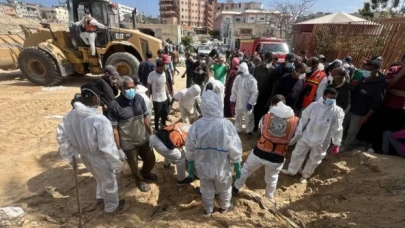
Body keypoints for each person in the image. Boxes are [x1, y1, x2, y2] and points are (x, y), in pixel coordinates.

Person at [57, 84, 125, 212]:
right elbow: (107, 147)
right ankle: (111, 207)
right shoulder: (100, 120)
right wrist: (116, 165)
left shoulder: (70, 116)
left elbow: (62, 136)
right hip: (99, 157)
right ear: (95, 99)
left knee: (98, 177)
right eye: (99, 96)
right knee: (109, 182)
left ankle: (100, 196)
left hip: (85, 155)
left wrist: (71, 155)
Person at [185, 90, 242, 215]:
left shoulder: (197, 125)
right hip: (222, 167)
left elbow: (189, 146)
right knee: (225, 188)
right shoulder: (226, 125)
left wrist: (190, 163)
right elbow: (235, 146)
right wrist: (237, 164)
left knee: (206, 189)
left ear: (203, 106)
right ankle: (224, 207)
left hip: (203, 166)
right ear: (219, 105)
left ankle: (208, 210)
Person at [233, 95, 299, 203]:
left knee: (246, 169)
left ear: (272, 104)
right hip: (277, 156)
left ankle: (235, 188)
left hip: (260, 152)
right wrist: (282, 142)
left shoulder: (267, 117)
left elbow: (262, 131)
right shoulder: (295, 120)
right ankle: (269, 198)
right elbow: (294, 139)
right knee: (272, 178)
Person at [282, 88, 345, 183]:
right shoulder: (314, 106)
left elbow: (338, 128)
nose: (332, 100)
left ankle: (305, 175)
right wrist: (298, 133)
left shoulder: (337, 111)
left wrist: (337, 143)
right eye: (330, 97)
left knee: (315, 158)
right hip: (308, 135)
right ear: (324, 96)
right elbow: (303, 120)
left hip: (323, 140)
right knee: (297, 153)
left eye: (334, 98)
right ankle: (292, 170)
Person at [108, 76, 156, 192]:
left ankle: (145, 172)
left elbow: (145, 118)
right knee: (133, 165)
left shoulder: (139, 98)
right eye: (128, 88)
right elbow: (114, 129)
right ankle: (140, 181)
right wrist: (119, 148)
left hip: (143, 137)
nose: (131, 90)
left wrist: (150, 134)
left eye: (133, 86)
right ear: (120, 88)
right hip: (128, 143)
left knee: (151, 159)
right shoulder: (114, 105)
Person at [340, 59, 386, 152]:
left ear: (376, 71)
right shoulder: (363, 78)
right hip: (349, 107)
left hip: (360, 112)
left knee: (352, 131)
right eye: (365, 69)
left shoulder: (379, 84)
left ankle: (346, 145)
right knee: (342, 126)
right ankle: (337, 142)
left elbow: (376, 103)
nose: (365, 71)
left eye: (368, 70)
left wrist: (366, 116)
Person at [230, 62, 259, 135]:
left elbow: (255, 92)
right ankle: (238, 129)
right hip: (239, 101)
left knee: (248, 117)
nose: (240, 73)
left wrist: (251, 102)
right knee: (237, 116)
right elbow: (234, 89)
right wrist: (232, 99)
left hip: (247, 102)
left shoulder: (251, 79)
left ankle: (249, 130)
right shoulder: (238, 78)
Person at [253, 52, 277, 131]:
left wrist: (270, 99)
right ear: (264, 58)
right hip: (256, 95)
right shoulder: (257, 68)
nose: (269, 61)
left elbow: (274, 85)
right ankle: (255, 126)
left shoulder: (273, 70)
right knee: (256, 111)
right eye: (268, 59)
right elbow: (252, 81)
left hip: (267, 96)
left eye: (271, 60)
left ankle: (262, 129)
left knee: (264, 114)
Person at [148, 59, 171, 130]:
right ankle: (157, 129)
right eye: (160, 68)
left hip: (164, 98)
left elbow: (165, 85)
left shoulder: (164, 73)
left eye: (163, 68)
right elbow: (148, 86)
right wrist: (148, 97)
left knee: (164, 114)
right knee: (157, 116)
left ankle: (163, 126)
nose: (162, 70)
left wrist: (168, 94)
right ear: (157, 67)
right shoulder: (152, 74)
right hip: (157, 99)